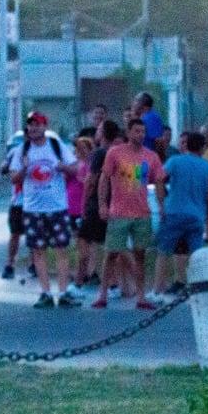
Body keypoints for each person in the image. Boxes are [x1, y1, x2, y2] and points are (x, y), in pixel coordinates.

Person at [9, 112, 81, 308]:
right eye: (31, 125)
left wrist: (62, 168)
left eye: (38, 125)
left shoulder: (57, 147)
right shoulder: (22, 150)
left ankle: (64, 291)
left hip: (57, 206)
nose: (34, 129)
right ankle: (45, 292)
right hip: (33, 208)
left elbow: (76, 170)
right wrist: (24, 169)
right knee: (38, 251)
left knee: (62, 250)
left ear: (45, 127)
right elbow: (14, 178)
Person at [97, 116, 164, 310]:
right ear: (128, 132)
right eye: (136, 131)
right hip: (118, 211)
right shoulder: (115, 153)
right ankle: (102, 294)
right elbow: (104, 179)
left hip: (142, 211)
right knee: (111, 252)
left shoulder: (151, 156)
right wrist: (103, 204)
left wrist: (161, 206)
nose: (140, 135)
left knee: (140, 254)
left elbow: (159, 181)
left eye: (143, 132)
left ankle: (141, 295)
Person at [155, 130, 208, 295]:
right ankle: (198, 287)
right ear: (202, 148)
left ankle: (158, 289)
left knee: (164, 251)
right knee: (196, 253)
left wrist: (162, 201)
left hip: (174, 211)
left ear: (186, 145)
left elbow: (159, 177)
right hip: (196, 214)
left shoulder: (175, 161)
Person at [80, 121, 119, 291]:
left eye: (99, 129)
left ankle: (79, 282)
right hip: (115, 203)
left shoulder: (99, 154)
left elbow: (91, 180)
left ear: (103, 134)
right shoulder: (119, 152)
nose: (96, 132)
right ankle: (114, 281)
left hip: (97, 204)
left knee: (84, 241)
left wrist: (84, 202)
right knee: (112, 245)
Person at [67, 130, 96, 286]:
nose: (82, 151)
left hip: (84, 206)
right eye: (80, 148)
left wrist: (83, 179)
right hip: (72, 205)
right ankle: (82, 271)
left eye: (85, 147)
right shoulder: (73, 163)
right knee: (79, 241)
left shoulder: (91, 165)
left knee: (88, 241)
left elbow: (91, 182)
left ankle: (90, 271)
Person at [0, 128, 28, 282]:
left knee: (33, 235)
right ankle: (10, 264)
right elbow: (3, 169)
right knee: (15, 234)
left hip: (34, 200)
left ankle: (34, 264)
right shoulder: (15, 152)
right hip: (18, 200)